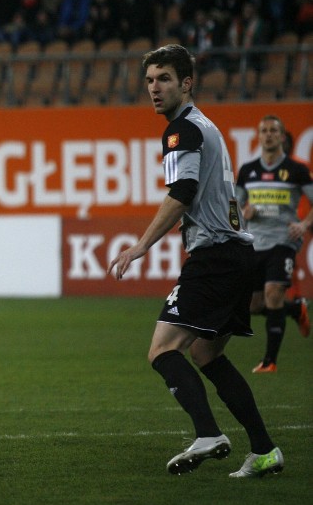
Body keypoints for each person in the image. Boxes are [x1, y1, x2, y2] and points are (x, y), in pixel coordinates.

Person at [107, 45, 283, 478]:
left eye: (163, 78)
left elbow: (181, 193)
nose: (154, 88)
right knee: (206, 353)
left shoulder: (182, 130)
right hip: (238, 253)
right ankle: (264, 450)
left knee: (162, 349)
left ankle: (208, 434)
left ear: (186, 83)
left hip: (217, 256)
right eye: (149, 80)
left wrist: (140, 246)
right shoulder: (205, 125)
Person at [236, 115, 313, 373]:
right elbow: (233, 206)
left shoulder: (296, 170)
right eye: (264, 130)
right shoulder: (248, 170)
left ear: (282, 136)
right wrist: (244, 212)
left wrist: (302, 225)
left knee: (273, 294)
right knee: (254, 305)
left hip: (283, 241)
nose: (268, 135)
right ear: (259, 136)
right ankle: (295, 309)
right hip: (255, 243)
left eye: (273, 130)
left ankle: (269, 362)